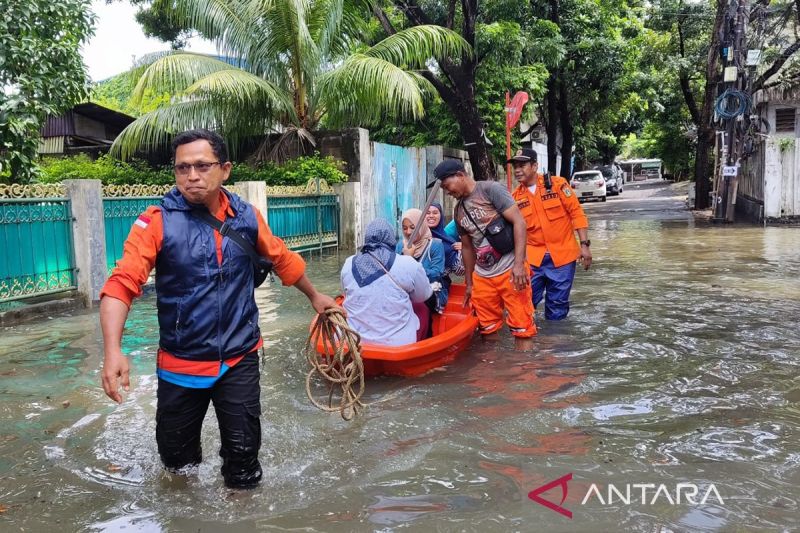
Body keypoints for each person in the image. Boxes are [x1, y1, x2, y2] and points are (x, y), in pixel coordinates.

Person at [99, 129, 337, 489]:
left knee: (243, 465)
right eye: (182, 168)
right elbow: (121, 283)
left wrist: (315, 296)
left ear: (224, 169)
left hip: (239, 359)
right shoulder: (156, 222)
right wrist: (112, 350)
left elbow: (282, 258)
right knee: (177, 467)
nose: (191, 176)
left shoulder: (247, 217)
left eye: (201, 166)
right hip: (181, 364)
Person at [434, 160, 536, 351]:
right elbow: (466, 248)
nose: (447, 192)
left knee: (523, 328)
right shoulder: (458, 211)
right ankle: (494, 374)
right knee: (487, 330)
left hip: (510, 269)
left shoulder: (491, 190)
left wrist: (519, 265)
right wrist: (469, 284)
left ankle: (524, 375)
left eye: (447, 186)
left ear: (460, 175)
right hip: (483, 276)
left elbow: (519, 223)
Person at [508, 148, 592, 320]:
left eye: (522, 165)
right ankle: (528, 342)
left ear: (534, 166)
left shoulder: (558, 185)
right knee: (525, 303)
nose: (517, 170)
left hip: (562, 257)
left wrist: (584, 245)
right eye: (515, 166)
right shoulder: (514, 198)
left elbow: (577, 213)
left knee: (557, 307)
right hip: (532, 260)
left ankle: (555, 342)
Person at [341, 218, 433, 345]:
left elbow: (347, 293)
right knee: (422, 308)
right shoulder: (408, 263)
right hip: (396, 343)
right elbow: (423, 295)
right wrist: (409, 258)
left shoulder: (348, 263)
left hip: (352, 341)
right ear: (391, 239)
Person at [397, 208, 447, 337]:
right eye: (404, 228)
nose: (408, 232)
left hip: (431, 288)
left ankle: (426, 335)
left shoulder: (435, 245)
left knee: (420, 303)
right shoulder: (400, 245)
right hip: (405, 288)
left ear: (421, 226)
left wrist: (410, 260)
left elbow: (437, 273)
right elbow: (393, 271)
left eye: (412, 227)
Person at [425, 202, 464, 276]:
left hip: (439, 285)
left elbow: (460, 271)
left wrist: (465, 250)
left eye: (435, 213)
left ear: (441, 216)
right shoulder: (415, 238)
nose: (431, 216)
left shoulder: (448, 241)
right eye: (427, 213)